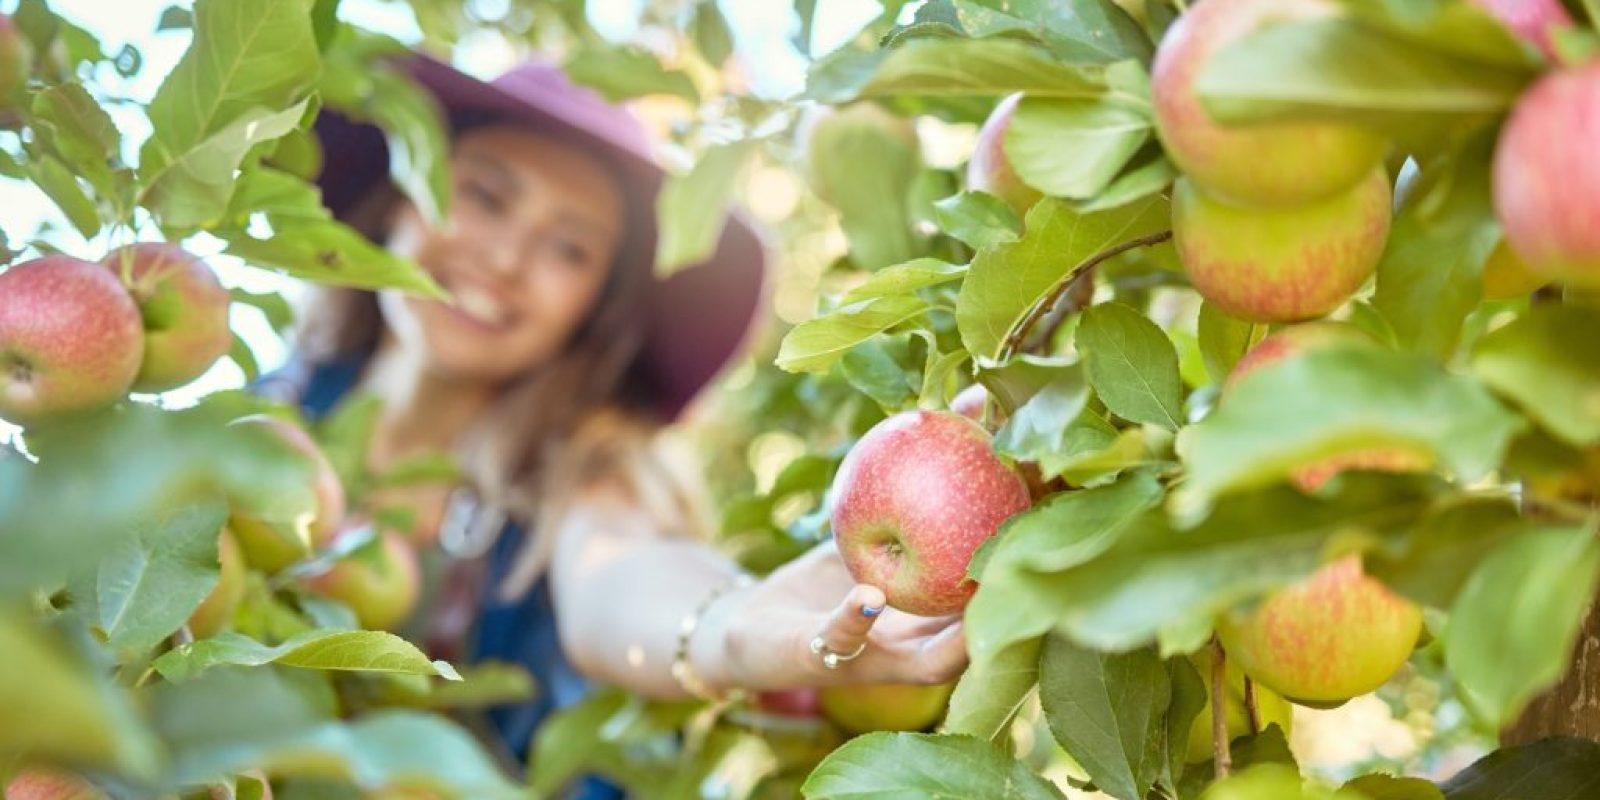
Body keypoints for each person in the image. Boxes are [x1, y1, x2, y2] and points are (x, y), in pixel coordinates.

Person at [257, 55, 967, 786]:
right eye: (485, 195)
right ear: (404, 192)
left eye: (570, 248)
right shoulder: (258, 417)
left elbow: (620, 570)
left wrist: (726, 624)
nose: (505, 259)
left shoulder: (576, 474)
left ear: (594, 306)